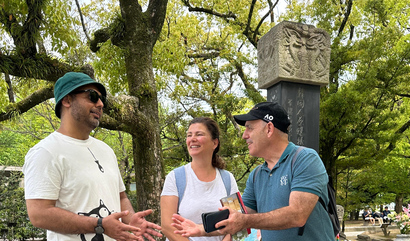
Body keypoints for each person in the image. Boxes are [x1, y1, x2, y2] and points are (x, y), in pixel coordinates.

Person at [23, 72, 162, 241]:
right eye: (93, 96)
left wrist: (130, 220)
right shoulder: (46, 152)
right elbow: (39, 214)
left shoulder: (106, 150)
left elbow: (120, 196)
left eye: (102, 99)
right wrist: (99, 224)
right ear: (67, 100)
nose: (101, 104)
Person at [172, 101, 334, 241]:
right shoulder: (256, 175)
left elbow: (297, 215)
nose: (244, 135)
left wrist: (246, 220)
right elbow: (236, 216)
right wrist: (201, 229)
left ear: (269, 129)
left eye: (249, 128)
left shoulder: (304, 159)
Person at [161, 117, 239, 241]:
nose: (192, 139)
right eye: (189, 135)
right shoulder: (175, 178)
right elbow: (167, 226)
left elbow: (236, 222)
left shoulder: (227, 179)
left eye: (199, 134)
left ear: (215, 143)